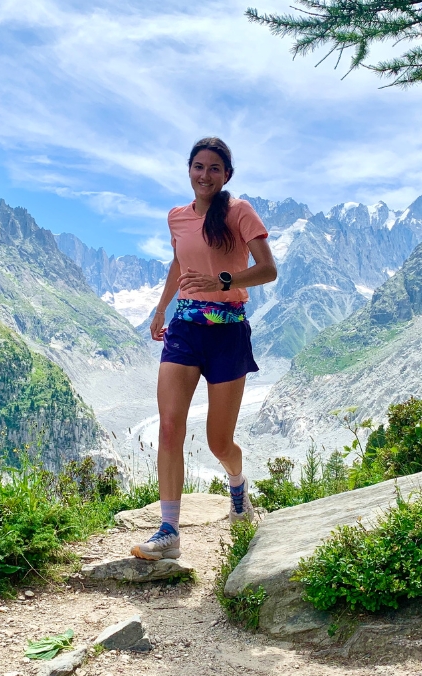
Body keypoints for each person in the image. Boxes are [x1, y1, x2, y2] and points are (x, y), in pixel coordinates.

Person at [131, 137, 278, 561]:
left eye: (214, 168)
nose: (205, 175)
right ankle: (169, 531)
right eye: (198, 166)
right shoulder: (176, 217)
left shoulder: (238, 212)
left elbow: (267, 269)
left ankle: (237, 484)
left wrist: (224, 282)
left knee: (219, 442)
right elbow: (179, 263)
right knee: (169, 427)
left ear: (226, 174)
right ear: (189, 170)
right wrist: (161, 308)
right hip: (186, 327)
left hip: (228, 329)